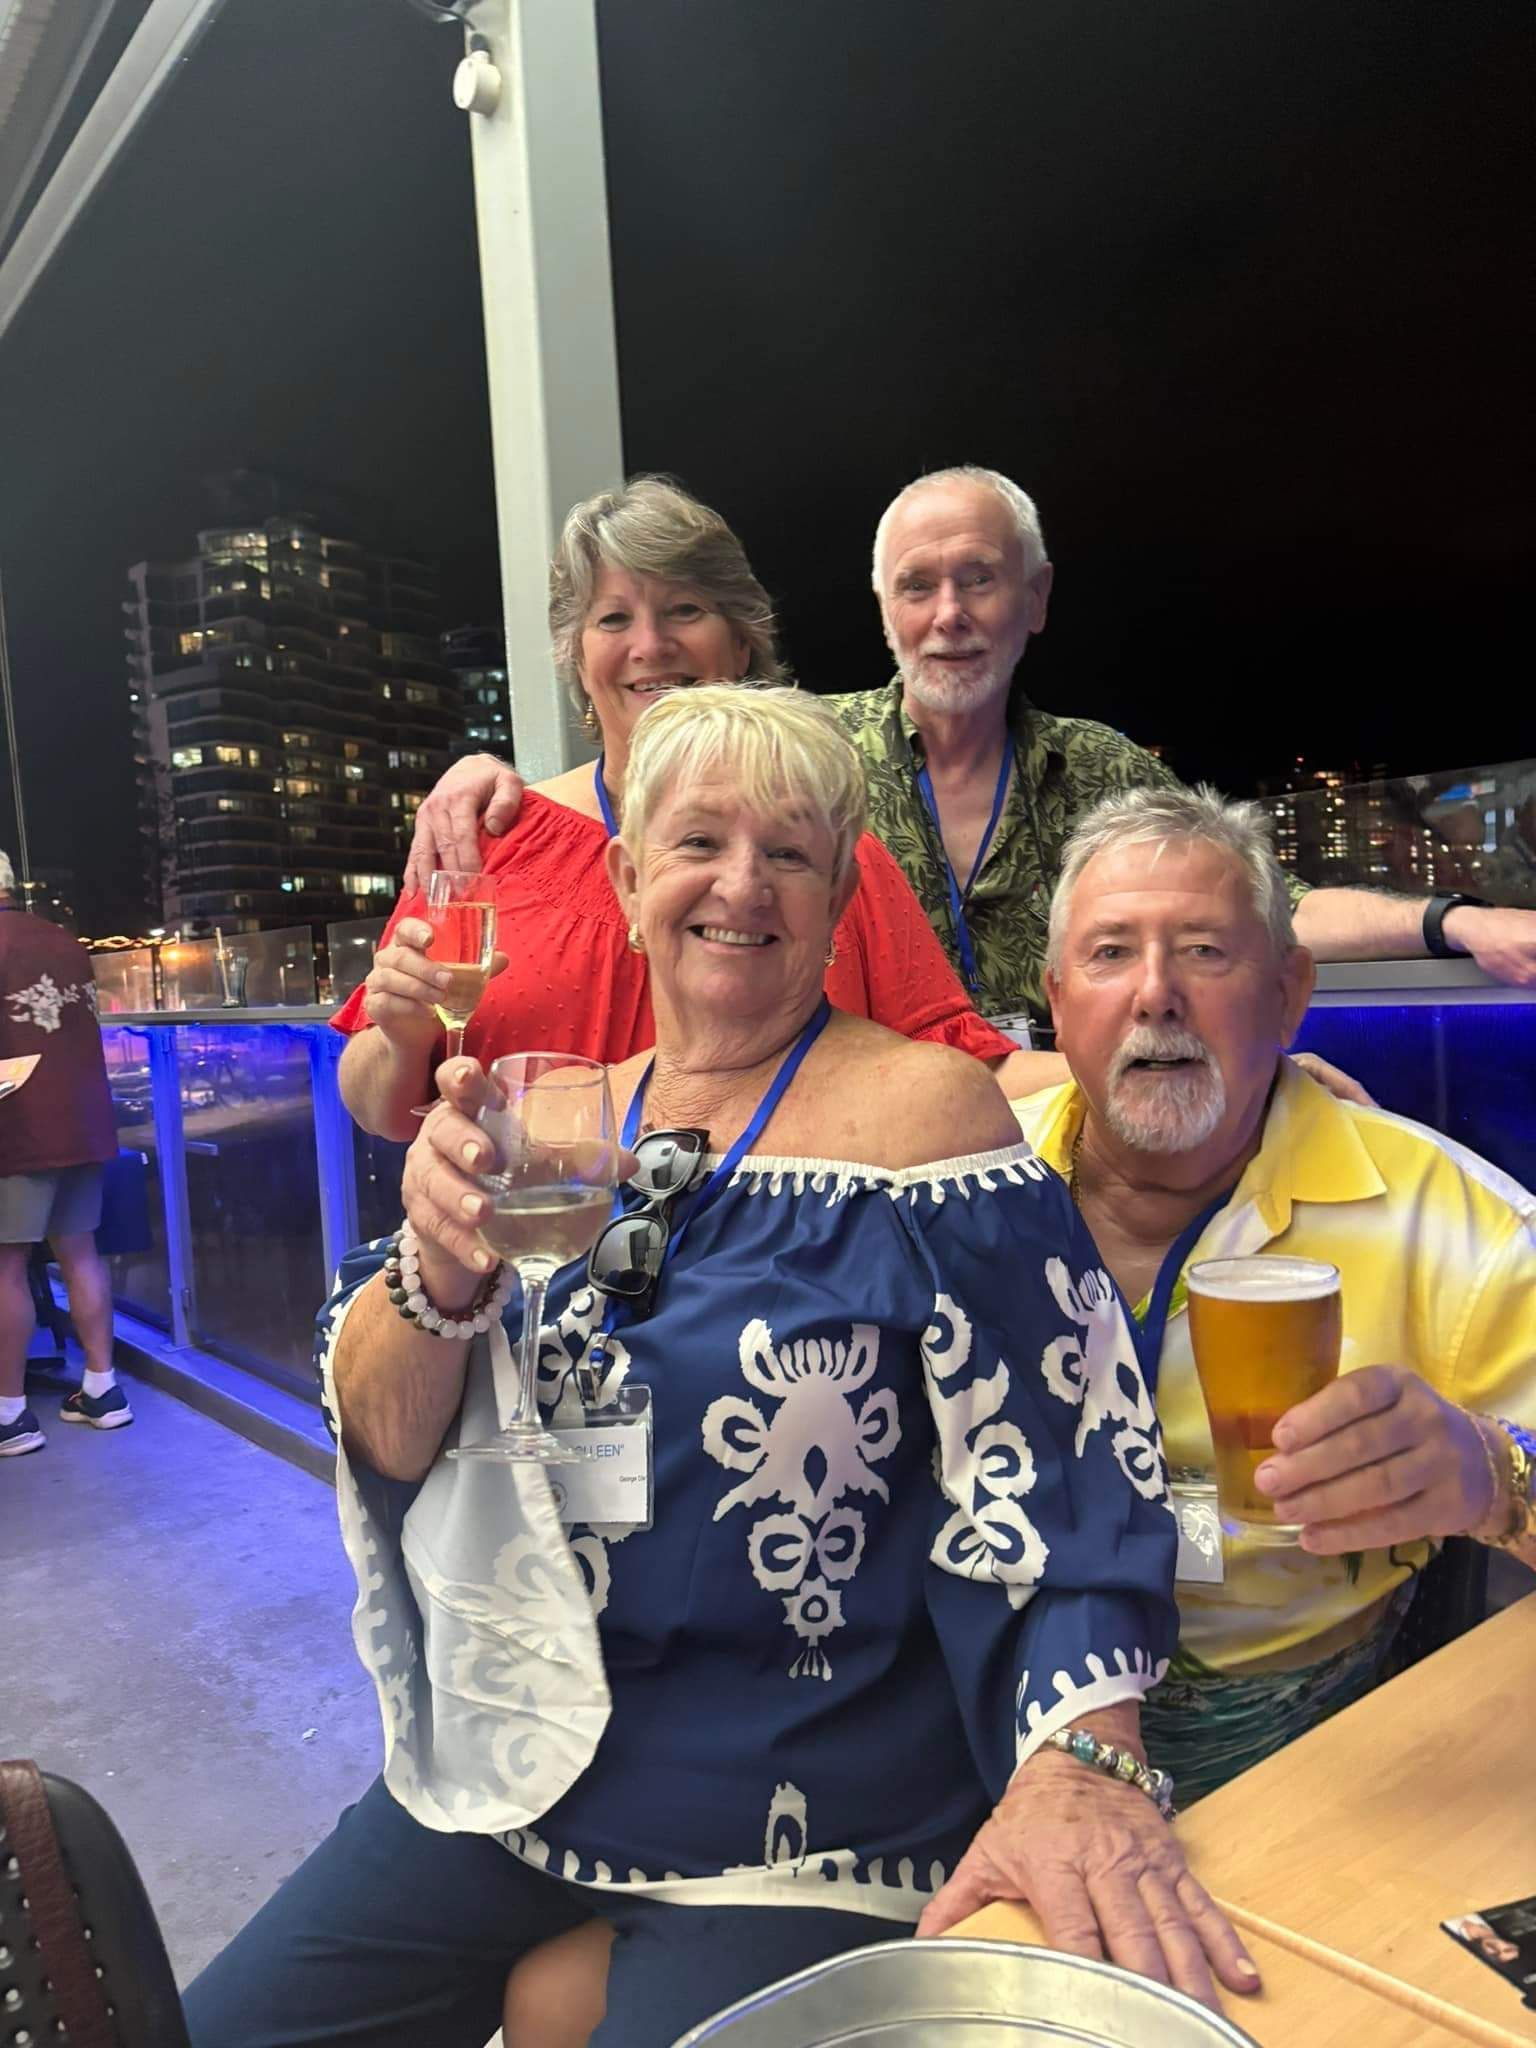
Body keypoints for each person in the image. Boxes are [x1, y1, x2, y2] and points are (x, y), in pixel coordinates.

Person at [183, 690, 1259, 2048]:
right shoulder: (547, 1112)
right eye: (698, 842)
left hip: (809, 1812)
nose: (742, 884)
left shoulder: (922, 1119)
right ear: (628, 882)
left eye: (790, 853)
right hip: (519, 1766)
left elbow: (1064, 1458)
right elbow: (389, 1438)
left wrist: (1085, 1760)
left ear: (839, 901)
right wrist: (437, 1261)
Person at [408, 466, 1536, 1024]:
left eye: (980, 580)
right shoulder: (810, 756)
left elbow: (1261, 909)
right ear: (885, 612)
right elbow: (653, 775)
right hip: (850, 1146)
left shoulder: (1101, 773)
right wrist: (489, 777)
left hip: (1052, 1127)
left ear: (1033, 600)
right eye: (918, 587)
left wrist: (1456, 922)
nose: (948, 616)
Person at [1013, 784, 1536, 1803]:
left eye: (1205, 951)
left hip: (1308, 1760)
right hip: (996, 1732)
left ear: (1291, 994)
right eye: (1111, 952)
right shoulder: (965, 1196)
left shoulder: (1450, 1221)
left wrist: (1492, 1474)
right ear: (1058, 1002)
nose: (1156, 994)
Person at [333, 477, 1059, 1138]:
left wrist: (1122, 1075)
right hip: (537, 1232)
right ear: (578, 659)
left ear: (741, 644)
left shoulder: (828, 859)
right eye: (613, 619)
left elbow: (965, 1070)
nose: (651, 645)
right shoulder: (489, 840)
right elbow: (379, 1110)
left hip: (773, 1236)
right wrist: (400, 1039)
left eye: (685, 609)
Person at [0, 852, 130, 1455]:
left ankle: (10, 1415)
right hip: (82, 1120)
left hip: (16, 1126)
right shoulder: (64, 940)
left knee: (6, 1266)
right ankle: (102, 1389)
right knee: (79, 1253)